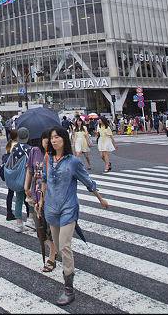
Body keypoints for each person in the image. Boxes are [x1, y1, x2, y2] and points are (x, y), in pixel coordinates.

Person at [41, 126, 109, 305]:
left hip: (68, 208)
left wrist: (100, 199)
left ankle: (68, 289)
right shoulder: (48, 159)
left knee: (64, 246)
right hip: (51, 209)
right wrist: (40, 201)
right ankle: (67, 279)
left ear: (64, 139)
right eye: (52, 137)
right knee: (57, 245)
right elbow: (45, 181)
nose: (54, 140)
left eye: (57, 137)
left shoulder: (73, 161)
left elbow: (87, 180)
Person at [26, 129, 57, 272]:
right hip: (36, 194)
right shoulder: (34, 151)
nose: (48, 141)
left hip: (52, 197)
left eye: (51, 138)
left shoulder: (56, 155)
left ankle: (52, 255)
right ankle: (54, 248)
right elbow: (30, 170)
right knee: (40, 229)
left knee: (51, 228)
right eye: (46, 138)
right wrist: (26, 186)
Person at [4, 127, 31, 232]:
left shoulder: (14, 148)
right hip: (27, 178)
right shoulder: (30, 149)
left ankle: (19, 224)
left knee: (19, 200)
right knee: (30, 199)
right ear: (28, 136)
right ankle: (31, 220)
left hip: (18, 178)